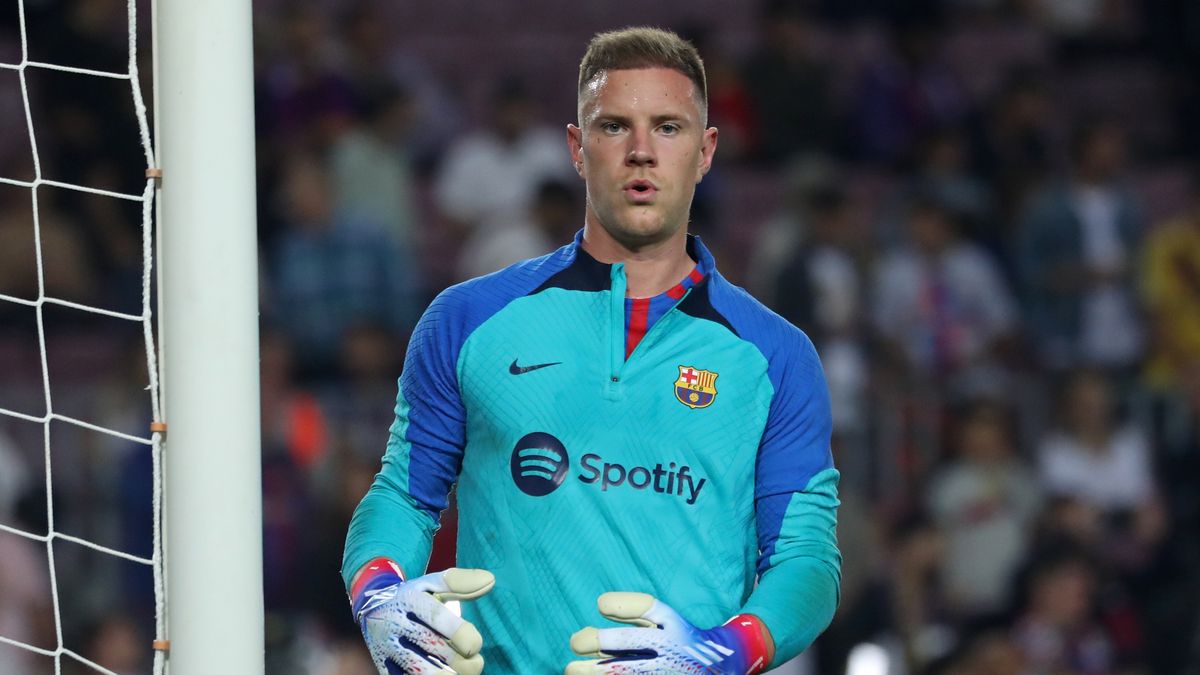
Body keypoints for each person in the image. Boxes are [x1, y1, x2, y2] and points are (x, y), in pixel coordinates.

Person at [342, 27, 842, 674]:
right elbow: (403, 498)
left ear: (706, 150)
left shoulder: (776, 356)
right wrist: (377, 592)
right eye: (613, 127)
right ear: (577, 149)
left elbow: (805, 559)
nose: (641, 152)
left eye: (668, 127)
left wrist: (723, 650)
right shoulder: (468, 320)